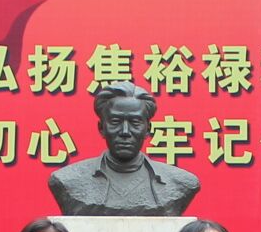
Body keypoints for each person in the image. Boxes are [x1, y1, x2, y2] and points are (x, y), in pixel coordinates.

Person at [46, 80, 203, 215]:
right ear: (101, 128)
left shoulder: (180, 182)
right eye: (115, 122)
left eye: (135, 122)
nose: (125, 132)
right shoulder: (69, 180)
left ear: (148, 129)